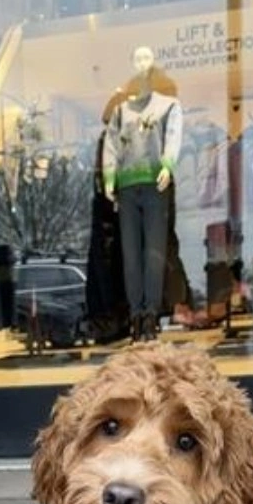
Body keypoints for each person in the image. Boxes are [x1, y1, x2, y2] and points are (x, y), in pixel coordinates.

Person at [102, 44, 183, 341]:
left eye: (147, 57)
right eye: (136, 57)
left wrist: (167, 165)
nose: (141, 62)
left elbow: (173, 136)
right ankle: (136, 314)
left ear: (155, 63)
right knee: (131, 255)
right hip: (126, 186)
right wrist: (110, 177)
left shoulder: (168, 105)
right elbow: (111, 145)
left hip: (154, 184)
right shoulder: (121, 111)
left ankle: (150, 314)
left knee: (154, 252)